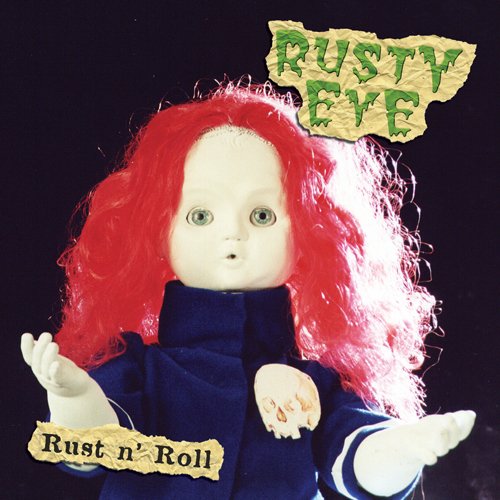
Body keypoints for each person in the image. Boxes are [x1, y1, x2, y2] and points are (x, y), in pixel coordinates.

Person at [21, 82, 475, 499]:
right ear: (158, 231)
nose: (232, 235)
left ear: (312, 232)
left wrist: (402, 447)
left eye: (262, 216)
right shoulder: (142, 371)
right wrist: (74, 398)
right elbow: (94, 447)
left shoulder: (318, 383)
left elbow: (356, 457)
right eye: (200, 216)